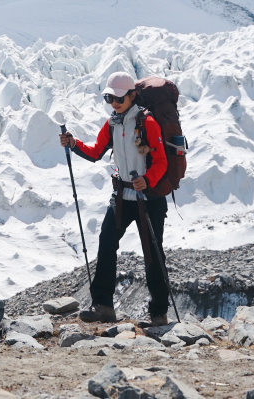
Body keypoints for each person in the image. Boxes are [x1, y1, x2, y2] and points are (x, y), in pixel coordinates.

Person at [59, 71, 170, 325]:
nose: (115, 103)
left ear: (133, 95)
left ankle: (159, 314)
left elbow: (162, 161)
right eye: (110, 98)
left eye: (119, 98)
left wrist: (148, 179)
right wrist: (74, 143)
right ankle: (103, 306)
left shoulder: (147, 122)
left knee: (152, 252)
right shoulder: (112, 123)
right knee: (107, 241)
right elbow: (97, 151)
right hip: (122, 195)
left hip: (148, 198)